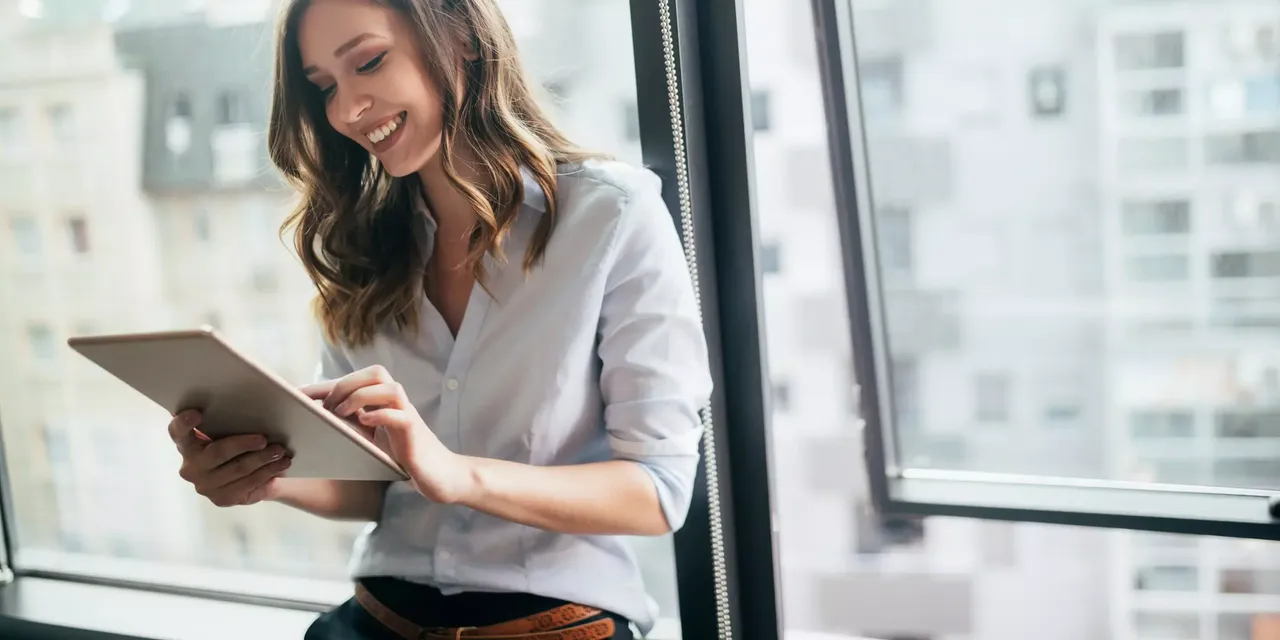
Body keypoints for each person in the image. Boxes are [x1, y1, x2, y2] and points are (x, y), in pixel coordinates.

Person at [164, 0, 712, 638]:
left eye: (368, 61)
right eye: (325, 89)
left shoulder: (611, 216)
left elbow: (656, 490)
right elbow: (373, 488)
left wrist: (457, 473)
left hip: (553, 622)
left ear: (463, 37)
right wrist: (263, 478)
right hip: (372, 619)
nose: (345, 110)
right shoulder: (360, 248)